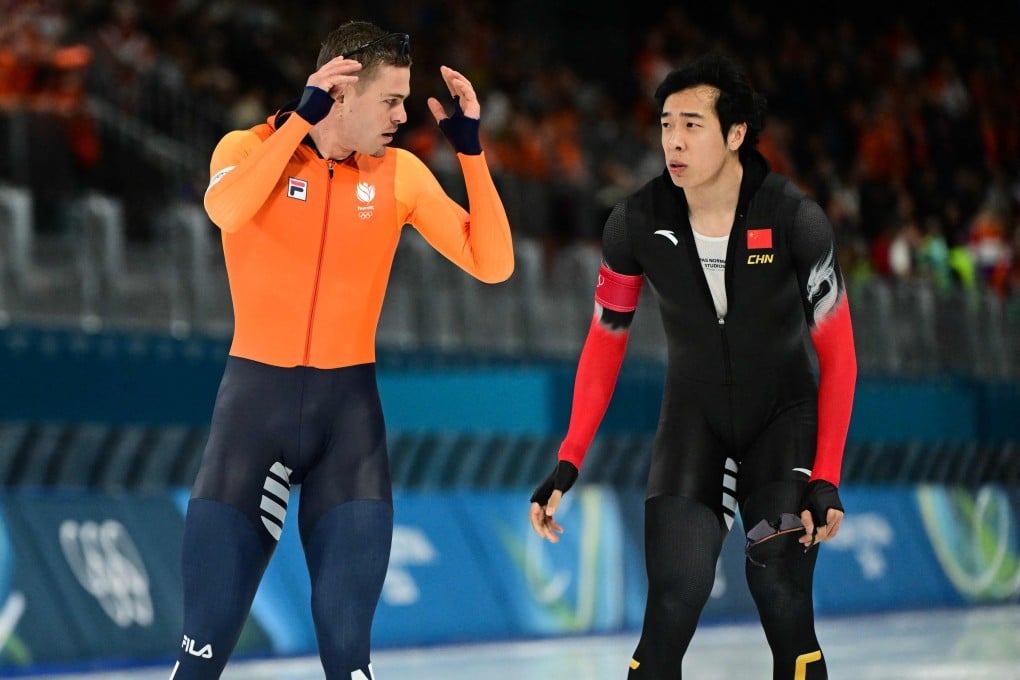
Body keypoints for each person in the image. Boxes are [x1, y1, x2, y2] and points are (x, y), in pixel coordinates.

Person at [172, 21, 513, 679]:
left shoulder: (400, 176)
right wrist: (300, 123)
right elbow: (227, 211)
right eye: (390, 100)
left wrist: (472, 156)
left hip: (347, 426)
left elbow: (492, 263)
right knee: (202, 654)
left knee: (349, 660)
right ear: (342, 91)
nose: (402, 115)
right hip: (253, 417)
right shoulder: (247, 147)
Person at [530, 52, 857, 679]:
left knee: (780, 595)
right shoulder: (636, 222)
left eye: (692, 125)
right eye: (664, 125)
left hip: (782, 423)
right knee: (672, 605)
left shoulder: (794, 219)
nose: (673, 141)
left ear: (735, 135)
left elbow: (838, 357)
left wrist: (825, 474)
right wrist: (568, 461)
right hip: (693, 423)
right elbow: (605, 341)